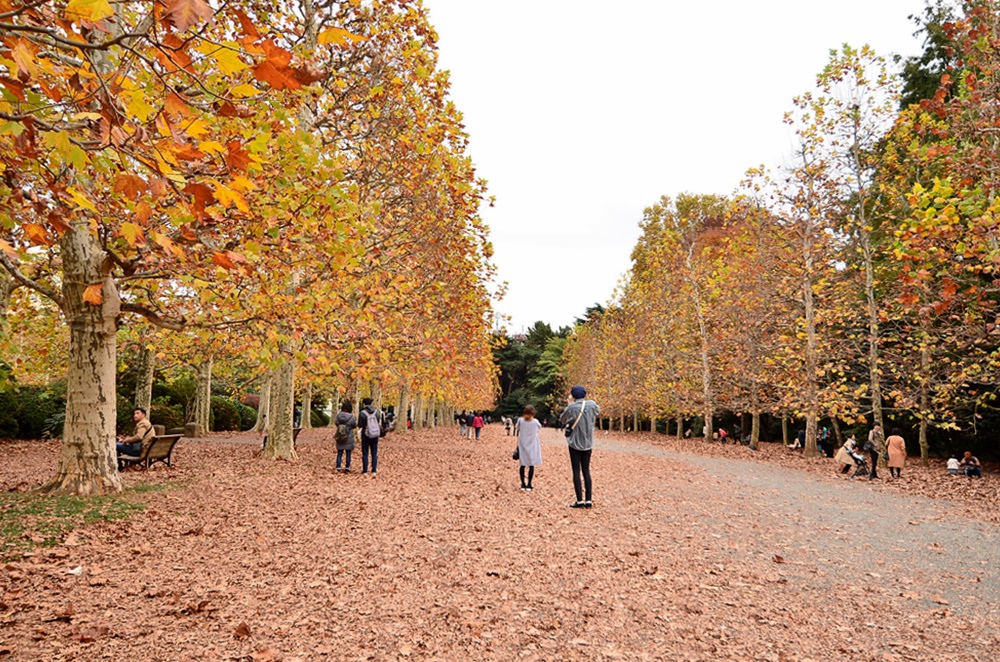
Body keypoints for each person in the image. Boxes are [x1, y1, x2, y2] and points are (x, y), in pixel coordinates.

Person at [560, 385, 600, 509]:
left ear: (573, 395)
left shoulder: (571, 407)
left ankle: (579, 500)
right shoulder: (592, 405)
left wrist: (569, 404)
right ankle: (589, 500)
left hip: (575, 443)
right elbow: (597, 411)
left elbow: (562, 419)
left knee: (576, 470)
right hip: (588, 443)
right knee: (586, 470)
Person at [515, 405, 543, 491]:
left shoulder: (520, 420)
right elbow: (539, 428)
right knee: (531, 464)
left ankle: (523, 484)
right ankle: (529, 484)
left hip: (522, 443)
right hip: (532, 444)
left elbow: (517, 428)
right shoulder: (535, 422)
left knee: (522, 465)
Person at [358, 398, 384, 476]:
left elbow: (360, 424)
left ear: (364, 404)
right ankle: (374, 470)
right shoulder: (377, 412)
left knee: (365, 452)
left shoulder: (362, 413)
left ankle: (365, 470)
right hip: (375, 434)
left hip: (365, 434)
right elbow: (378, 420)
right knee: (374, 452)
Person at [333, 401, 356, 472]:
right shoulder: (351, 417)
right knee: (348, 453)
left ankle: (338, 467)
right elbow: (354, 425)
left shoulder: (338, 415)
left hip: (340, 435)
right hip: (348, 436)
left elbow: (336, 423)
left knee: (340, 453)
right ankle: (347, 467)